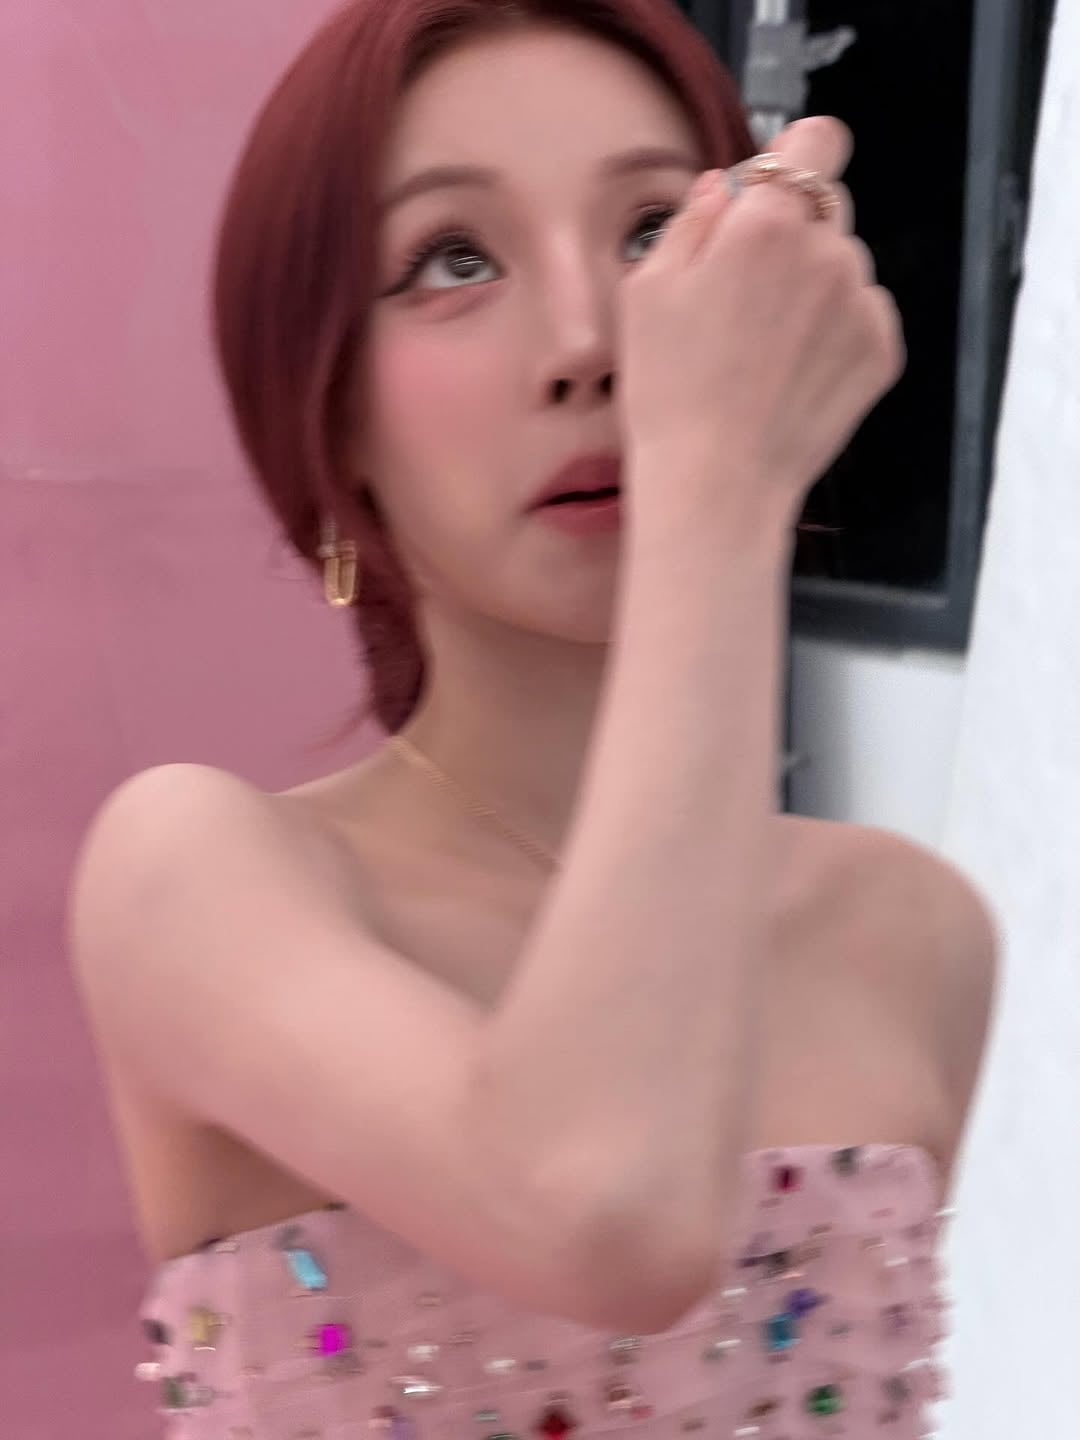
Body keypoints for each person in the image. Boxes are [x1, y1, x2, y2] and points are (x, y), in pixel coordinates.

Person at [69, 1, 998, 1436]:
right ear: (327, 414)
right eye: (454, 260)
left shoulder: (909, 935)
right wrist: (716, 496)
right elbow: (603, 1215)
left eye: (652, 236)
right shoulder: (194, 875)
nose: (588, 343)